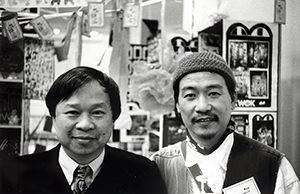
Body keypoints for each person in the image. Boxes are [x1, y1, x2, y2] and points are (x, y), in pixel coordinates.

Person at [0, 66, 166, 194]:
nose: (85, 124)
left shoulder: (143, 172)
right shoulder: (13, 173)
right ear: (54, 118)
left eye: (97, 113)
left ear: (113, 118)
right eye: (73, 112)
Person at [151, 52, 300, 194]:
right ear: (177, 105)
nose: (203, 107)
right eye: (190, 95)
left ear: (233, 100)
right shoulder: (158, 167)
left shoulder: (272, 166)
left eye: (213, 94)